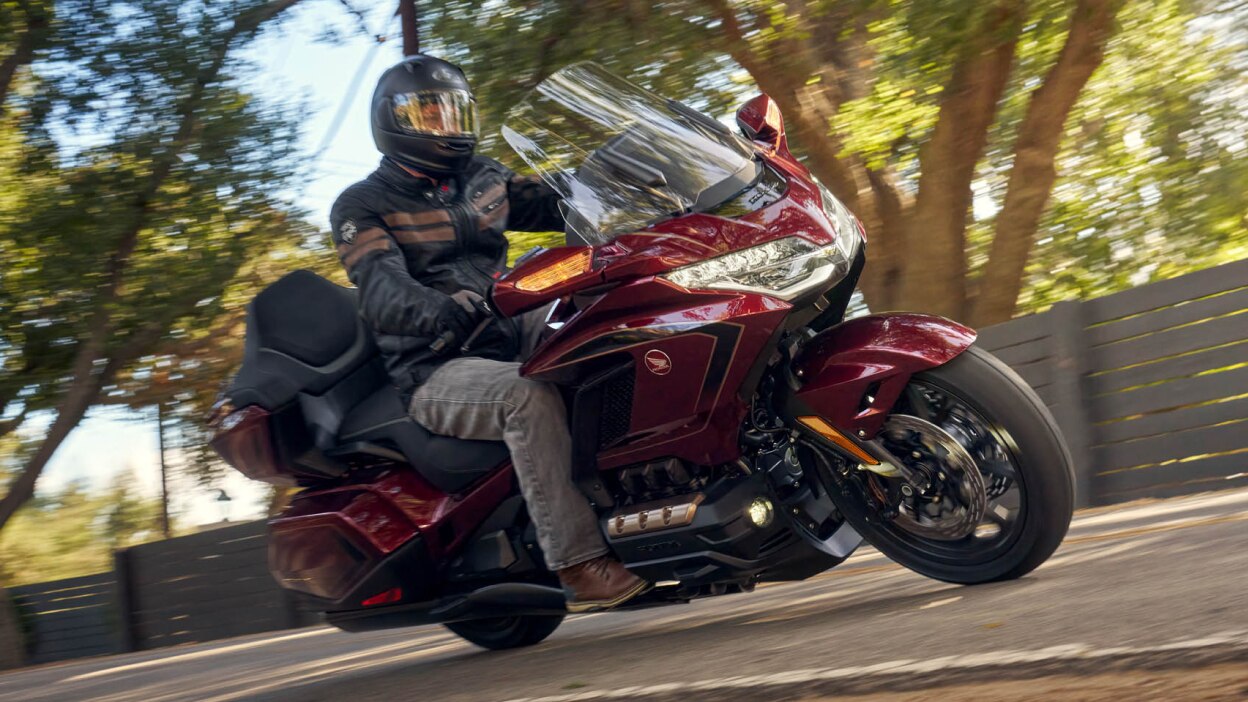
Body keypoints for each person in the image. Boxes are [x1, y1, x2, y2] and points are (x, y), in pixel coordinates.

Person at [329, 55, 649, 612]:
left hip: (509, 323)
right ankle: (577, 561)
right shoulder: (362, 205)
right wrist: (440, 310)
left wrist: (628, 166)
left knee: (609, 329)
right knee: (526, 397)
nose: (446, 126)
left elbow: (566, 197)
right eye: (429, 116)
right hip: (436, 364)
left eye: (454, 113)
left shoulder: (486, 178)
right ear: (394, 122)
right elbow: (380, 288)